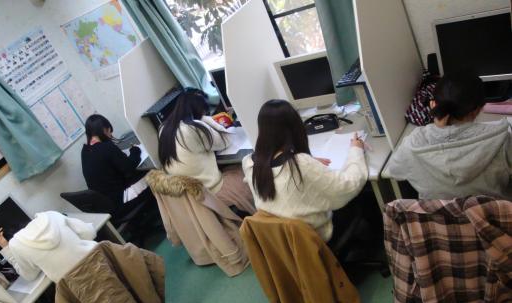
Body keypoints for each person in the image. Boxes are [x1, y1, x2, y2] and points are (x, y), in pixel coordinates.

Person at [242, 99, 368, 243]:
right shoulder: (301, 165)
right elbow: (348, 187)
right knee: (362, 200)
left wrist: (306, 161)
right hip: (314, 241)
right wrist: (356, 150)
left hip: (282, 242)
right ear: (295, 127)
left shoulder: (249, 163)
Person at [386, 72, 512, 199]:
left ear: (433, 105)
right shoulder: (503, 142)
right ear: (478, 110)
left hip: (440, 212)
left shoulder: (412, 145)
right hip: (488, 211)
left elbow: (394, 171)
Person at [158, 89, 255, 214]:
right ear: (199, 110)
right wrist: (205, 119)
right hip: (210, 191)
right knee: (250, 169)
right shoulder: (193, 127)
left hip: (188, 195)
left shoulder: (163, 128)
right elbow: (226, 140)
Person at [0, 211, 97, 283]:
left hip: (82, 285)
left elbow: (30, 276)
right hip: (101, 261)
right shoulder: (51, 215)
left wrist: (6, 248)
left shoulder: (16, 244)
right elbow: (90, 232)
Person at [81, 114, 151, 212]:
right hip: (121, 201)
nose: (110, 135)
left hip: (106, 205)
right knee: (155, 173)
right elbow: (130, 167)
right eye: (110, 131)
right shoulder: (107, 147)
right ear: (104, 130)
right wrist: (135, 150)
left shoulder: (85, 151)